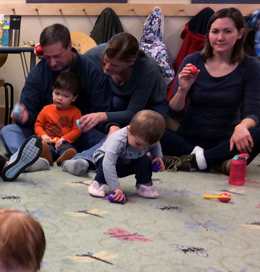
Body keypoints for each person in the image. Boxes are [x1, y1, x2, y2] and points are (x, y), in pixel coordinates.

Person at [159, 8, 260, 175]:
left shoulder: (250, 67)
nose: (220, 38)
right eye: (215, 31)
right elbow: (174, 112)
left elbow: (253, 112)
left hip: (226, 141)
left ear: (240, 33)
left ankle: (196, 161)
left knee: (256, 134)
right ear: (208, 34)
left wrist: (243, 126)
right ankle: (216, 163)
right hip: (188, 138)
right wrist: (183, 90)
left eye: (227, 31)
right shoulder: (192, 60)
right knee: (148, 128)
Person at [61, 32, 169, 176]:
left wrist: (102, 117)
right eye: (106, 61)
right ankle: (89, 157)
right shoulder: (96, 53)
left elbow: (133, 113)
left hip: (149, 107)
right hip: (118, 102)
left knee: (149, 133)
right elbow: (71, 66)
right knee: (110, 126)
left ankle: (86, 159)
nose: (106, 68)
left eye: (115, 65)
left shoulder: (147, 68)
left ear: (131, 62)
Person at [2, 24, 111, 160]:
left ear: (69, 46)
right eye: (48, 57)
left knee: (109, 140)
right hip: (43, 136)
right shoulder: (39, 73)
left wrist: (78, 127)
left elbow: (101, 112)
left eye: (57, 56)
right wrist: (24, 117)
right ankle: (33, 159)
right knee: (8, 131)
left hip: (78, 133)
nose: (52, 63)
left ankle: (81, 160)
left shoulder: (92, 71)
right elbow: (29, 113)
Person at [88, 110, 166, 201]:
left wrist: (158, 156)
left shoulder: (145, 140)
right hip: (107, 161)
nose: (141, 148)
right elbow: (108, 163)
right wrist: (115, 188)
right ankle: (99, 184)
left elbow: (156, 144)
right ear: (129, 130)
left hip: (129, 160)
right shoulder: (118, 140)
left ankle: (144, 185)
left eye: (146, 146)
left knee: (145, 160)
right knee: (107, 161)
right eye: (137, 144)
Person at [34, 72, 83, 166]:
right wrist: (43, 135)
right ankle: (47, 157)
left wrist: (64, 139)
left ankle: (65, 159)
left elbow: (77, 130)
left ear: (74, 98)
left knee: (68, 148)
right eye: (57, 93)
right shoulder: (46, 109)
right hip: (48, 140)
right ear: (52, 91)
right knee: (44, 146)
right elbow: (38, 125)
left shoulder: (76, 112)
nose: (59, 98)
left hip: (64, 142)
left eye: (66, 96)